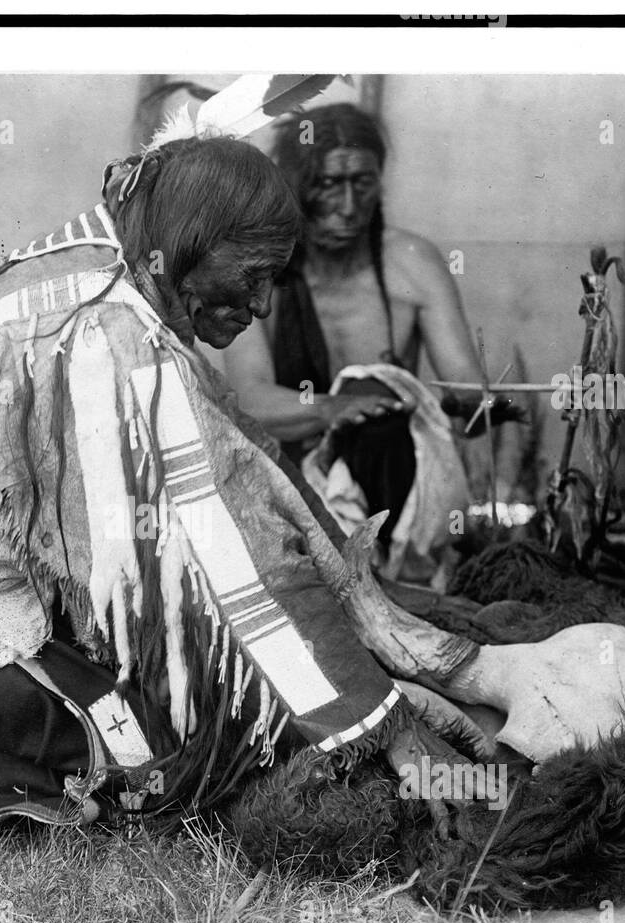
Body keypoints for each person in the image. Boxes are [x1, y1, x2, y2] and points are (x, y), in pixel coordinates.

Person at [0, 131, 460, 835]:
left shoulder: (104, 257)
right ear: (191, 244)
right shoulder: (111, 331)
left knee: (137, 711)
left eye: (276, 277)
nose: (264, 303)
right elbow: (238, 554)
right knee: (142, 761)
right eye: (254, 272)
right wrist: (382, 719)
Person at [221, 103, 520, 578]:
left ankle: (401, 571)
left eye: (361, 183)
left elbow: (462, 380)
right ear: (294, 185)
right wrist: (330, 409)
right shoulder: (259, 269)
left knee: (381, 430)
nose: (347, 206)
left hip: (395, 486)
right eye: (327, 184)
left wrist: (481, 405)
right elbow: (250, 400)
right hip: (289, 490)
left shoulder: (412, 262)